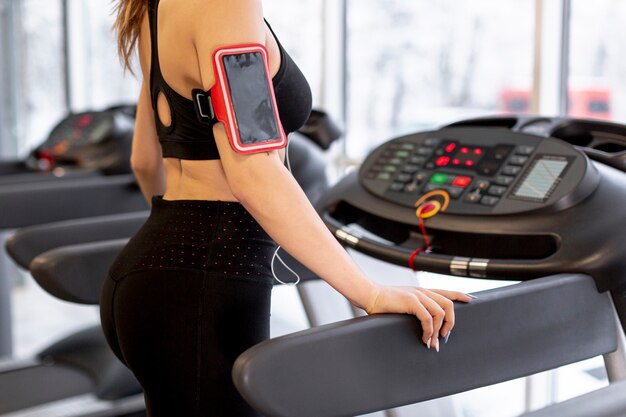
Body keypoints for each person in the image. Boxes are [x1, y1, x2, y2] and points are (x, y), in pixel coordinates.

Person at [100, 0, 473, 416]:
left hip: (152, 275)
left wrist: (172, 244)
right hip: (201, 289)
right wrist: (369, 291)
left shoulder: (154, 7)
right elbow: (253, 168)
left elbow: (145, 161)